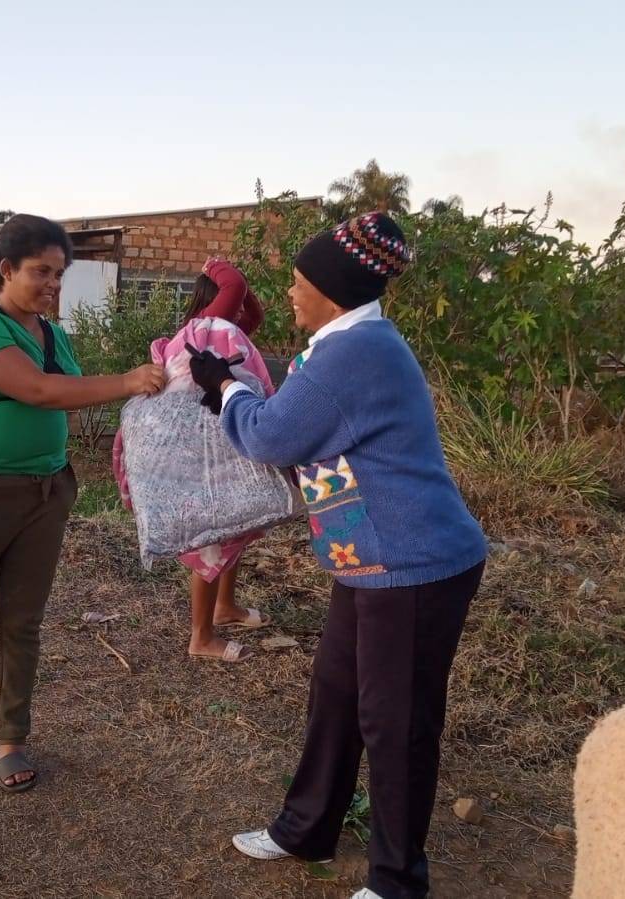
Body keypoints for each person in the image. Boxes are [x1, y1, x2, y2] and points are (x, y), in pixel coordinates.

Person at [187, 212, 488, 899]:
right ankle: (306, 829)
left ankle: (396, 882)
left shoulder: (355, 352)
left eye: (299, 282)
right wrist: (232, 391)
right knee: (337, 695)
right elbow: (294, 419)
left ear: (332, 289)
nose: (290, 293)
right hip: (371, 559)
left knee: (395, 722)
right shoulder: (348, 344)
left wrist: (225, 388)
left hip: (412, 564)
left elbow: (271, 436)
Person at [0, 214, 166, 792]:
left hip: (44, 490)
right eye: (41, 272)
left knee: (22, 621)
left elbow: (66, 395)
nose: (52, 284)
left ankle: (10, 738)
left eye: (59, 274)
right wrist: (126, 380)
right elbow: (39, 391)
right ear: (6, 269)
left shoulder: (52, 334)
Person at [179, 258, 272, 661]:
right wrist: (216, 265)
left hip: (224, 447)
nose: (236, 314)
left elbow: (255, 315)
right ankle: (201, 637)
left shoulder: (226, 335)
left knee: (235, 524)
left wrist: (242, 296)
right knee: (213, 539)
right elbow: (234, 285)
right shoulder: (204, 330)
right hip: (205, 456)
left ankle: (225, 606)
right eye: (229, 304)